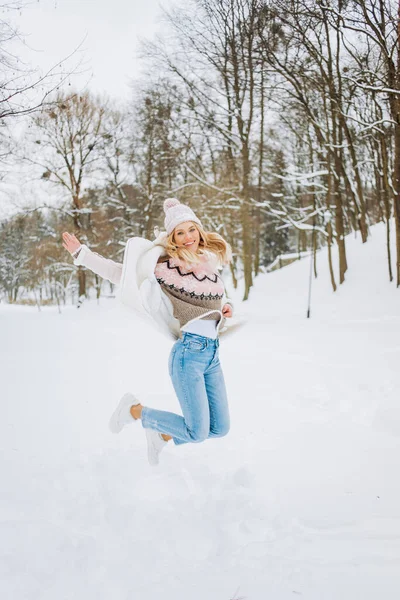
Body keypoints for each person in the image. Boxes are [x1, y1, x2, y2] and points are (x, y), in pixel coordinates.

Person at [62, 198, 233, 466]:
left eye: (191, 229)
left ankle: (161, 435)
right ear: (173, 238)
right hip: (189, 354)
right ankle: (134, 411)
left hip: (212, 355)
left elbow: (219, 298)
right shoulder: (166, 266)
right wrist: (82, 255)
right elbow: (122, 274)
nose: (188, 237)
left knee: (219, 428)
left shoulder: (209, 264)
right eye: (180, 232)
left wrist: (227, 308)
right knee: (197, 432)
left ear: (199, 230)